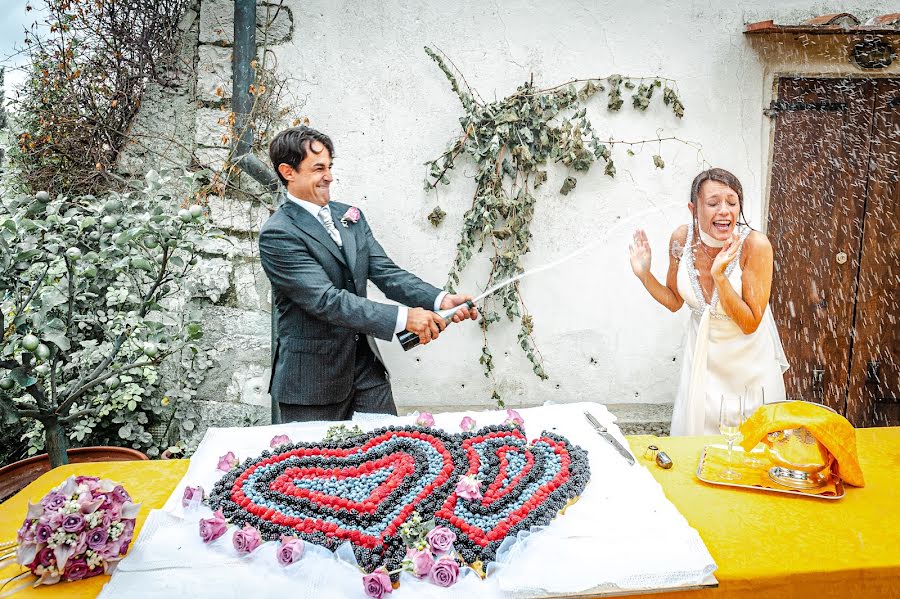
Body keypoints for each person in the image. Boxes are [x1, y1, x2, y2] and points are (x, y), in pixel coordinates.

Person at [259, 126, 478, 422]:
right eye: (318, 168)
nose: (329, 176)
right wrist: (404, 318)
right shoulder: (279, 234)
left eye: (330, 167)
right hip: (311, 382)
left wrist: (440, 300)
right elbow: (326, 300)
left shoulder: (349, 215)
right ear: (288, 171)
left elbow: (386, 272)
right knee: (318, 467)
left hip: (367, 372)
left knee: (392, 454)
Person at [629, 168, 788, 435]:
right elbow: (674, 301)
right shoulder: (681, 239)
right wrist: (644, 274)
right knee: (697, 446)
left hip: (748, 368)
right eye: (713, 203)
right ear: (694, 208)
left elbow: (749, 323)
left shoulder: (756, 245)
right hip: (702, 362)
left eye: (732, 202)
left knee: (749, 449)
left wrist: (720, 277)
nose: (724, 211)